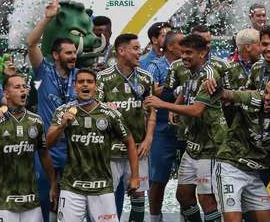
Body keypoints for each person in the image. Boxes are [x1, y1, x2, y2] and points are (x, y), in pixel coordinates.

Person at [143, 34, 225, 222]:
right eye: (183, 53)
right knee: (183, 195)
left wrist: (165, 105)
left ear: (203, 53)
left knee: (206, 199)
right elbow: (189, 90)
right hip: (193, 143)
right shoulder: (191, 70)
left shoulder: (209, 75)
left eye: (190, 53)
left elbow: (197, 110)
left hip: (210, 145)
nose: (185, 57)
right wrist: (178, 104)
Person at [46, 68, 139, 222]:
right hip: (72, 187)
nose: (85, 85)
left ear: (96, 86)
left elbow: (130, 143)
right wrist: (62, 126)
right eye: (81, 82)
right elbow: (48, 143)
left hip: (102, 187)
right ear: (74, 86)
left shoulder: (110, 114)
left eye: (89, 82)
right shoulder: (63, 111)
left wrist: (135, 176)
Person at [216, 78, 270, 222]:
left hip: (255, 174)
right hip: (230, 166)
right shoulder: (252, 99)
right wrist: (213, 86)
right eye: (266, 92)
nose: (267, 98)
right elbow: (227, 94)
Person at [26, 0, 78, 221]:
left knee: (70, 204)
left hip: (74, 151)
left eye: (75, 52)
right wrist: (47, 19)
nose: (74, 56)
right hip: (46, 150)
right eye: (68, 53)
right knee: (44, 201)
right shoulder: (44, 71)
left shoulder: (82, 79)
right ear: (56, 55)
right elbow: (31, 44)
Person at [96, 33, 156, 222]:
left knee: (138, 197)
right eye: (136, 49)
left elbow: (151, 112)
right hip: (110, 150)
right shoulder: (103, 78)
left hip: (138, 148)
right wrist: (105, 109)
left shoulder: (146, 78)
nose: (140, 53)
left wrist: (148, 139)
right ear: (121, 51)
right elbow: (95, 111)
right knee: (107, 199)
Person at [0, 74, 57, 222]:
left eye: (24, 87)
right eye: (17, 87)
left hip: (31, 201)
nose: (23, 90)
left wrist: (53, 182)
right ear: (6, 93)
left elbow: (44, 154)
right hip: (3, 202)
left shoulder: (36, 121)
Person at [145, 30, 184, 222]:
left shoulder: (188, 65)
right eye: (182, 44)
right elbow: (149, 93)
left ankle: (186, 216)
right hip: (161, 129)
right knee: (158, 179)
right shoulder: (156, 66)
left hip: (185, 129)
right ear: (170, 47)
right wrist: (172, 87)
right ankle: (154, 218)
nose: (186, 48)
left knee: (189, 181)